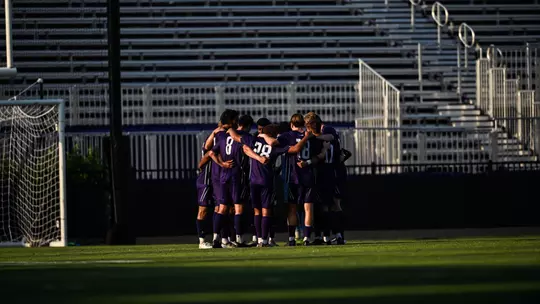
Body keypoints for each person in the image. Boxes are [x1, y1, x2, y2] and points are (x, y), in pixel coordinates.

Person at [241, 124, 291, 247]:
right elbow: (288, 148)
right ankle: (264, 240)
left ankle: (258, 239)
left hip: (253, 180)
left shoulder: (254, 141)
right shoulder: (274, 147)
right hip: (266, 181)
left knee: (256, 211)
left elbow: (243, 145)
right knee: (266, 211)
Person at [295, 115, 330, 246]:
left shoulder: (299, 137)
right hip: (307, 175)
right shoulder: (314, 139)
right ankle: (306, 235)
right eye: (310, 123)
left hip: (306, 175)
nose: (312, 125)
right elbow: (320, 156)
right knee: (307, 208)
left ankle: (309, 236)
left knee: (310, 207)